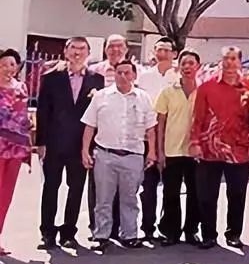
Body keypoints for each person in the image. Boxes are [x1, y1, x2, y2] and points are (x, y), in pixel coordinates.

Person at [81, 60, 158, 252]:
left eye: (126, 73)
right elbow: (90, 125)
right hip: (105, 154)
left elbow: (151, 128)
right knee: (103, 198)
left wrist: (152, 151)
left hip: (133, 155)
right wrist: (84, 150)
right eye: (119, 73)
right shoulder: (101, 96)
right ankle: (101, 235)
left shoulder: (143, 98)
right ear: (114, 75)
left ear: (134, 75)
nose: (122, 76)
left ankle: (129, 235)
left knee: (130, 198)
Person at [36, 37, 105, 249]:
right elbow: (42, 111)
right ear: (65, 51)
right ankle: (47, 232)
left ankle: (68, 232)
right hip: (54, 143)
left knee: (76, 189)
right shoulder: (51, 77)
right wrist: (41, 142)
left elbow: (97, 115)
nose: (77, 53)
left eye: (81, 49)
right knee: (50, 187)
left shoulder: (97, 79)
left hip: (80, 145)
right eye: (73, 48)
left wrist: (90, 147)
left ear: (88, 53)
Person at [191, 46, 249, 249]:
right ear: (221, 61)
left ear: (240, 62)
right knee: (206, 195)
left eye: (233, 59)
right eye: (226, 59)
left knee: (237, 194)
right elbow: (198, 117)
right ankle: (208, 235)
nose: (230, 63)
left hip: (239, 150)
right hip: (209, 149)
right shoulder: (207, 86)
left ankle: (233, 234)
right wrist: (195, 142)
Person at [154, 49, 201, 246]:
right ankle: (170, 231)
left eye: (191, 63)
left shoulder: (204, 91)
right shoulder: (167, 92)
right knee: (170, 193)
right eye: (184, 64)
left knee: (195, 193)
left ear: (198, 66)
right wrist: (159, 152)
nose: (187, 67)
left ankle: (191, 231)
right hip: (172, 151)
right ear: (178, 67)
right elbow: (160, 123)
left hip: (195, 153)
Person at [87, 33, 130, 239]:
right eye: (111, 46)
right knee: (99, 185)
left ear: (126, 49)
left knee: (123, 187)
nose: (115, 50)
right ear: (105, 50)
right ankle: (98, 228)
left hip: (126, 137)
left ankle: (118, 228)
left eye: (119, 46)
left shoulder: (134, 71)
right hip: (99, 135)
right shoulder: (94, 72)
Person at [136, 36, 178, 243]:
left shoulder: (179, 77)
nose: (162, 53)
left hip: (174, 139)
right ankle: (147, 227)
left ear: (174, 54)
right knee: (148, 186)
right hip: (148, 138)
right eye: (158, 49)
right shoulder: (144, 77)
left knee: (172, 187)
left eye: (166, 50)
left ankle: (169, 228)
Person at [0, 49, 31, 256]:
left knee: (5, 195)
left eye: (12, 64)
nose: (9, 68)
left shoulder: (22, 88)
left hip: (16, 148)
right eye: (4, 64)